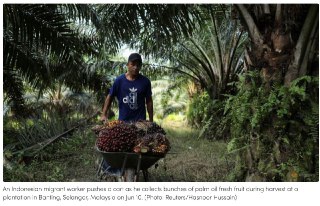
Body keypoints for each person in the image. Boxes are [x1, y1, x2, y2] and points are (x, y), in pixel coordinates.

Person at [99, 53, 153, 177]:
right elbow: (110, 97)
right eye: (133, 64)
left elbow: (149, 101)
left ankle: (137, 168)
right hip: (123, 122)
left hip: (140, 123)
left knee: (140, 148)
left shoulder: (145, 82)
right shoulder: (119, 81)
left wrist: (150, 120)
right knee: (117, 147)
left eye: (138, 65)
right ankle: (112, 170)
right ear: (128, 65)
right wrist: (103, 114)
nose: (135, 67)